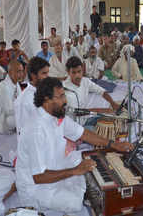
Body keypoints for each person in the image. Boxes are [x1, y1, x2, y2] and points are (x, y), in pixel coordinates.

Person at [16, 77, 133, 213]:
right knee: (75, 204)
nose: (65, 101)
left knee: (85, 157)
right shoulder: (36, 130)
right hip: (36, 189)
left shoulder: (56, 115)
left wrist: (113, 145)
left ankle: (82, 189)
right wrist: (74, 171)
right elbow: (38, 177)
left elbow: (83, 134)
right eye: (60, 97)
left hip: (55, 165)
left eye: (64, 95)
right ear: (46, 100)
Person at [64, 56, 119, 125]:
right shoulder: (66, 89)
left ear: (82, 70)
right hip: (75, 127)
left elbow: (101, 91)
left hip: (85, 119)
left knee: (109, 119)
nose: (77, 75)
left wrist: (112, 103)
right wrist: (103, 110)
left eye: (79, 71)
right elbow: (78, 112)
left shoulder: (85, 81)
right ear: (68, 72)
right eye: (74, 73)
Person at [14, 57, 50, 136]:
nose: (48, 76)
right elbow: (23, 133)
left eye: (48, 73)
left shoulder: (46, 91)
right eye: (44, 73)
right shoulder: (23, 101)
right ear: (33, 75)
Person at [0, 61, 25, 134]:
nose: (21, 74)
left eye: (22, 71)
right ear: (10, 72)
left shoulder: (15, 83)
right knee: (14, 120)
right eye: (18, 72)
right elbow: (8, 110)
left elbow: (21, 100)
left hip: (11, 113)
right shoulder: (5, 87)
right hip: (0, 119)